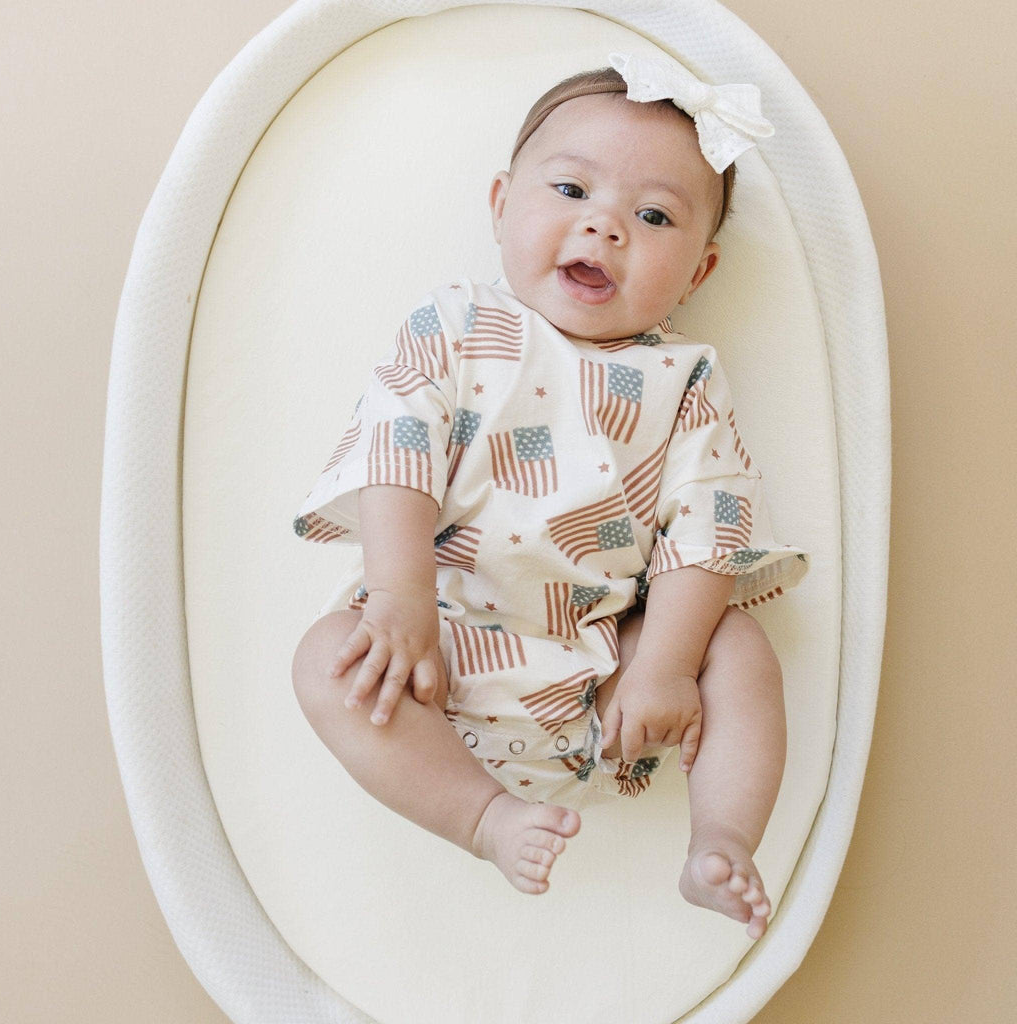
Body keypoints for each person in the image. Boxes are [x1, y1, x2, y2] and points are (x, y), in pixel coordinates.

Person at [291, 52, 808, 941]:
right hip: (437, 651)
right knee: (326, 657)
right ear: (500, 206)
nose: (605, 227)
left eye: (652, 217)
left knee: (740, 645)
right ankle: (481, 816)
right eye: (571, 191)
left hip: (613, 680)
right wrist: (400, 595)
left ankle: (720, 836)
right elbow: (397, 448)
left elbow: (707, 529)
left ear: (699, 273)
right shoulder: (458, 327)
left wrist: (668, 665)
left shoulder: (683, 379)